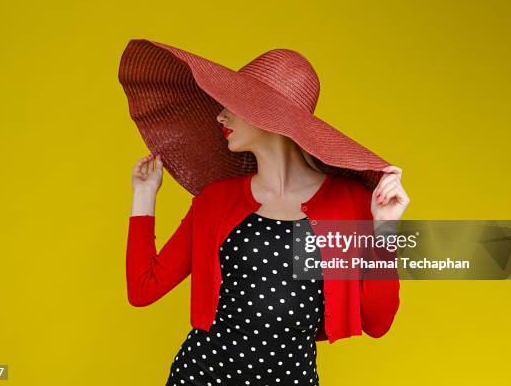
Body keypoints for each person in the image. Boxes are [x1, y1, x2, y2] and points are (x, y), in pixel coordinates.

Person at [119, 39, 410, 385]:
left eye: (232, 104)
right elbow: (143, 289)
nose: (220, 115)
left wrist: (385, 230)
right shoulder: (216, 201)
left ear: (270, 115)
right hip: (199, 376)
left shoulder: (348, 203)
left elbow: (377, 322)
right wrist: (144, 196)